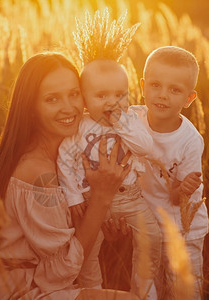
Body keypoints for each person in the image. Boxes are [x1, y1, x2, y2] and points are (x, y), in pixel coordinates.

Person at [0, 52, 138, 300]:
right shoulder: (37, 173)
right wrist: (101, 198)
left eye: (74, 94)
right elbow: (57, 275)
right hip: (27, 292)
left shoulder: (69, 151)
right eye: (52, 99)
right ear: (31, 108)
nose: (69, 108)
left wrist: (103, 223)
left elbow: (70, 233)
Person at [57, 11, 162, 300]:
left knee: (152, 237)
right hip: (92, 200)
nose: (112, 101)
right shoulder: (81, 126)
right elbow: (65, 160)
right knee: (86, 251)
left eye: (120, 93)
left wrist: (121, 123)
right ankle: (94, 289)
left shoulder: (129, 120)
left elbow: (145, 147)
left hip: (130, 198)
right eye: (101, 95)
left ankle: (141, 291)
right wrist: (75, 197)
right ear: (85, 98)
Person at [131, 46, 208, 300]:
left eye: (175, 90)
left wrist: (183, 188)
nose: (162, 95)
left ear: (189, 98)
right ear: (142, 86)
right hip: (147, 225)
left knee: (184, 289)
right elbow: (102, 120)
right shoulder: (133, 119)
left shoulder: (189, 141)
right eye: (155, 85)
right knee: (144, 287)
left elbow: (178, 200)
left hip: (183, 228)